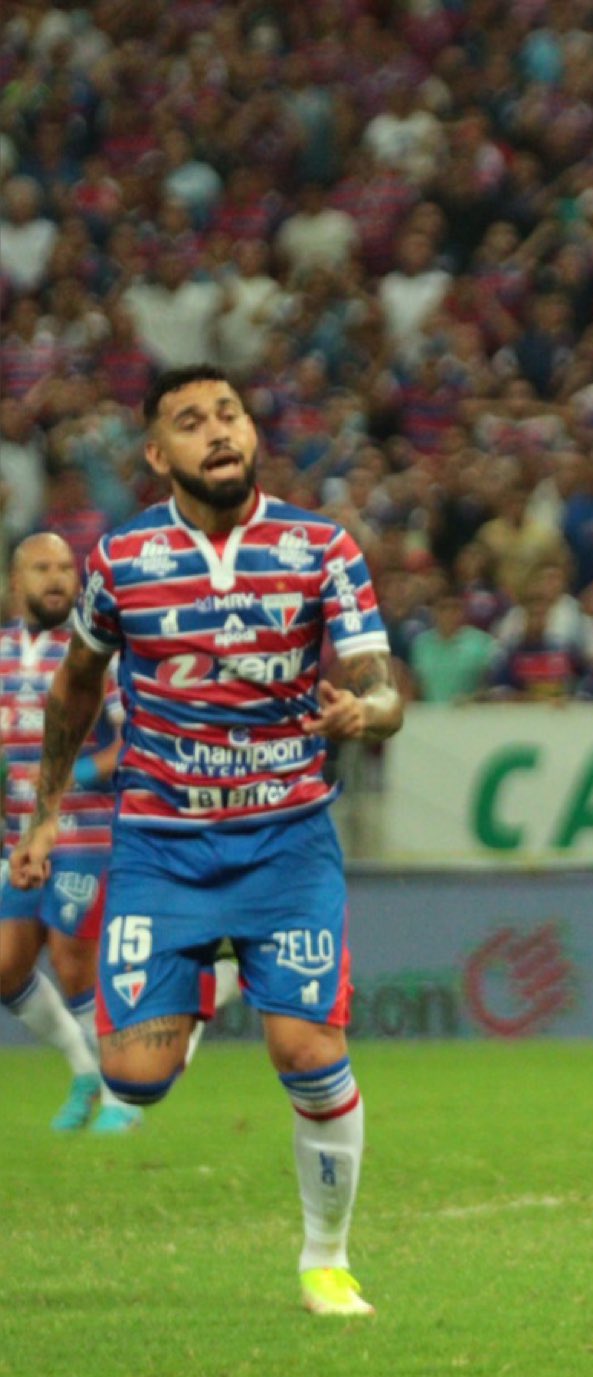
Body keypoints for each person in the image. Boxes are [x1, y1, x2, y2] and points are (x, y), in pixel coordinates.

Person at [11, 365, 403, 1318]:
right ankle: (202, 991)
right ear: (159, 455)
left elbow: (381, 681)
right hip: (163, 845)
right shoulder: (123, 560)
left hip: (286, 840)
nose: (218, 432)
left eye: (228, 414)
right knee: (132, 1081)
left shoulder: (320, 546)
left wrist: (369, 709)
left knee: (307, 1049)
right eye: (191, 422)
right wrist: (48, 812)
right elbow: (76, 687)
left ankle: (326, 1259)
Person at [0, 534, 132, 1132]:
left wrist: (83, 769)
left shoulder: (97, 653)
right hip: (16, 837)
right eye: (42, 568)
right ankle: (84, 1071)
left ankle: (121, 1096)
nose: (56, 578)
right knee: (6, 966)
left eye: (65, 569)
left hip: (85, 830)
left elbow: (135, 739)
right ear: (14, 582)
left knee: (74, 956)